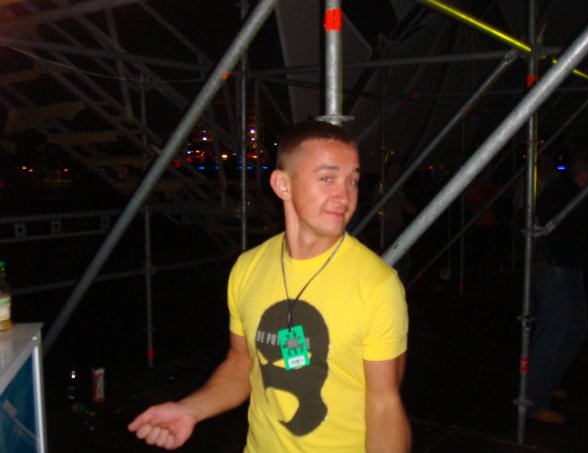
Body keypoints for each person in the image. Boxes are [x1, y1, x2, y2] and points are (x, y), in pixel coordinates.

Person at [128, 120, 411, 452]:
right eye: (327, 178)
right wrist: (190, 410)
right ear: (282, 185)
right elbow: (241, 364)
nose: (345, 195)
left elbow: (384, 405)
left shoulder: (376, 283)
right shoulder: (248, 268)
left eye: (352, 180)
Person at [527, 149, 588, 424]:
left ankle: (548, 382)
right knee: (552, 334)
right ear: (586, 173)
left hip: (568, 269)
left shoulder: (572, 193)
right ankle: (535, 401)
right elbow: (541, 227)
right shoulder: (563, 192)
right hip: (555, 270)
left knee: (576, 329)